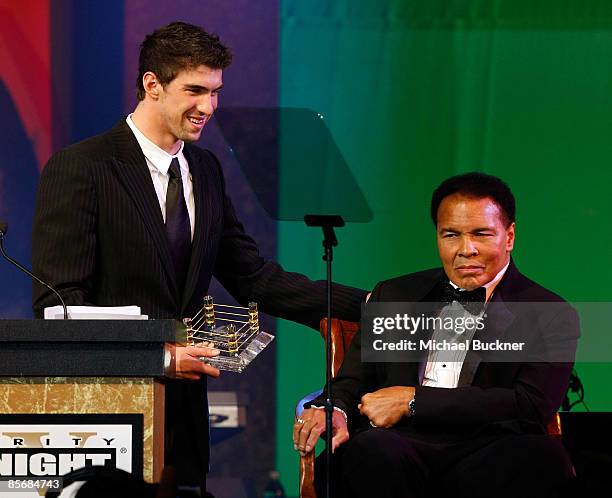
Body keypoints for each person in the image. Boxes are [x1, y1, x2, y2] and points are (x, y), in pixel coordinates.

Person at [31, 22, 366, 492]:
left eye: (215, 92)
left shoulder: (204, 170)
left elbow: (253, 277)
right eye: (195, 90)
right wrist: (160, 358)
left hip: (186, 410)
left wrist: (376, 304)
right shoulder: (82, 167)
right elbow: (58, 308)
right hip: (107, 407)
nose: (208, 107)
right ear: (152, 84)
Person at [294, 172, 579, 498]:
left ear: (509, 236)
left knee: (543, 458)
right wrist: (336, 410)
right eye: (451, 235)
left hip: (487, 448)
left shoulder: (551, 312)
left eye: (481, 234)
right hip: (397, 444)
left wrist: (414, 400)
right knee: (371, 451)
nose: (466, 249)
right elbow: (351, 380)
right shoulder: (394, 294)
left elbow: (531, 406)